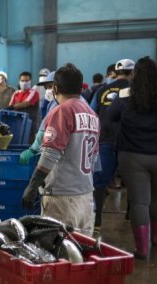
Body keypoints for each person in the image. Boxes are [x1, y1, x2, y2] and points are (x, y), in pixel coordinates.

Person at [104, 56, 157, 259]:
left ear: (135, 76)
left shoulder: (125, 96)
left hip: (132, 158)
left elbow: (108, 119)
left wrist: (120, 131)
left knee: (139, 202)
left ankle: (141, 249)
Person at [21, 63, 100, 235]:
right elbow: (93, 159)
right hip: (86, 197)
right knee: (80, 255)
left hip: (62, 198)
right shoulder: (92, 114)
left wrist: (32, 186)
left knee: (60, 254)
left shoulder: (62, 111)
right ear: (80, 88)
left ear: (55, 88)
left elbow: (50, 154)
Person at [91, 59, 135, 232]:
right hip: (128, 142)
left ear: (115, 74)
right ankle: (130, 215)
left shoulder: (102, 90)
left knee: (100, 181)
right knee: (132, 179)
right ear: (132, 73)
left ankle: (98, 220)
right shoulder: (136, 91)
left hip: (105, 140)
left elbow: (92, 112)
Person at [8, 71, 40, 139]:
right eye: (22, 80)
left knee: (29, 145)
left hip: (30, 126)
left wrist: (12, 107)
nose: (24, 82)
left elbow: (26, 104)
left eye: (26, 80)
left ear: (30, 81)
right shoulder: (16, 93)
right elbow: (10, 105)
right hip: (17, 125)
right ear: (19, 81)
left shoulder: (34, 93)